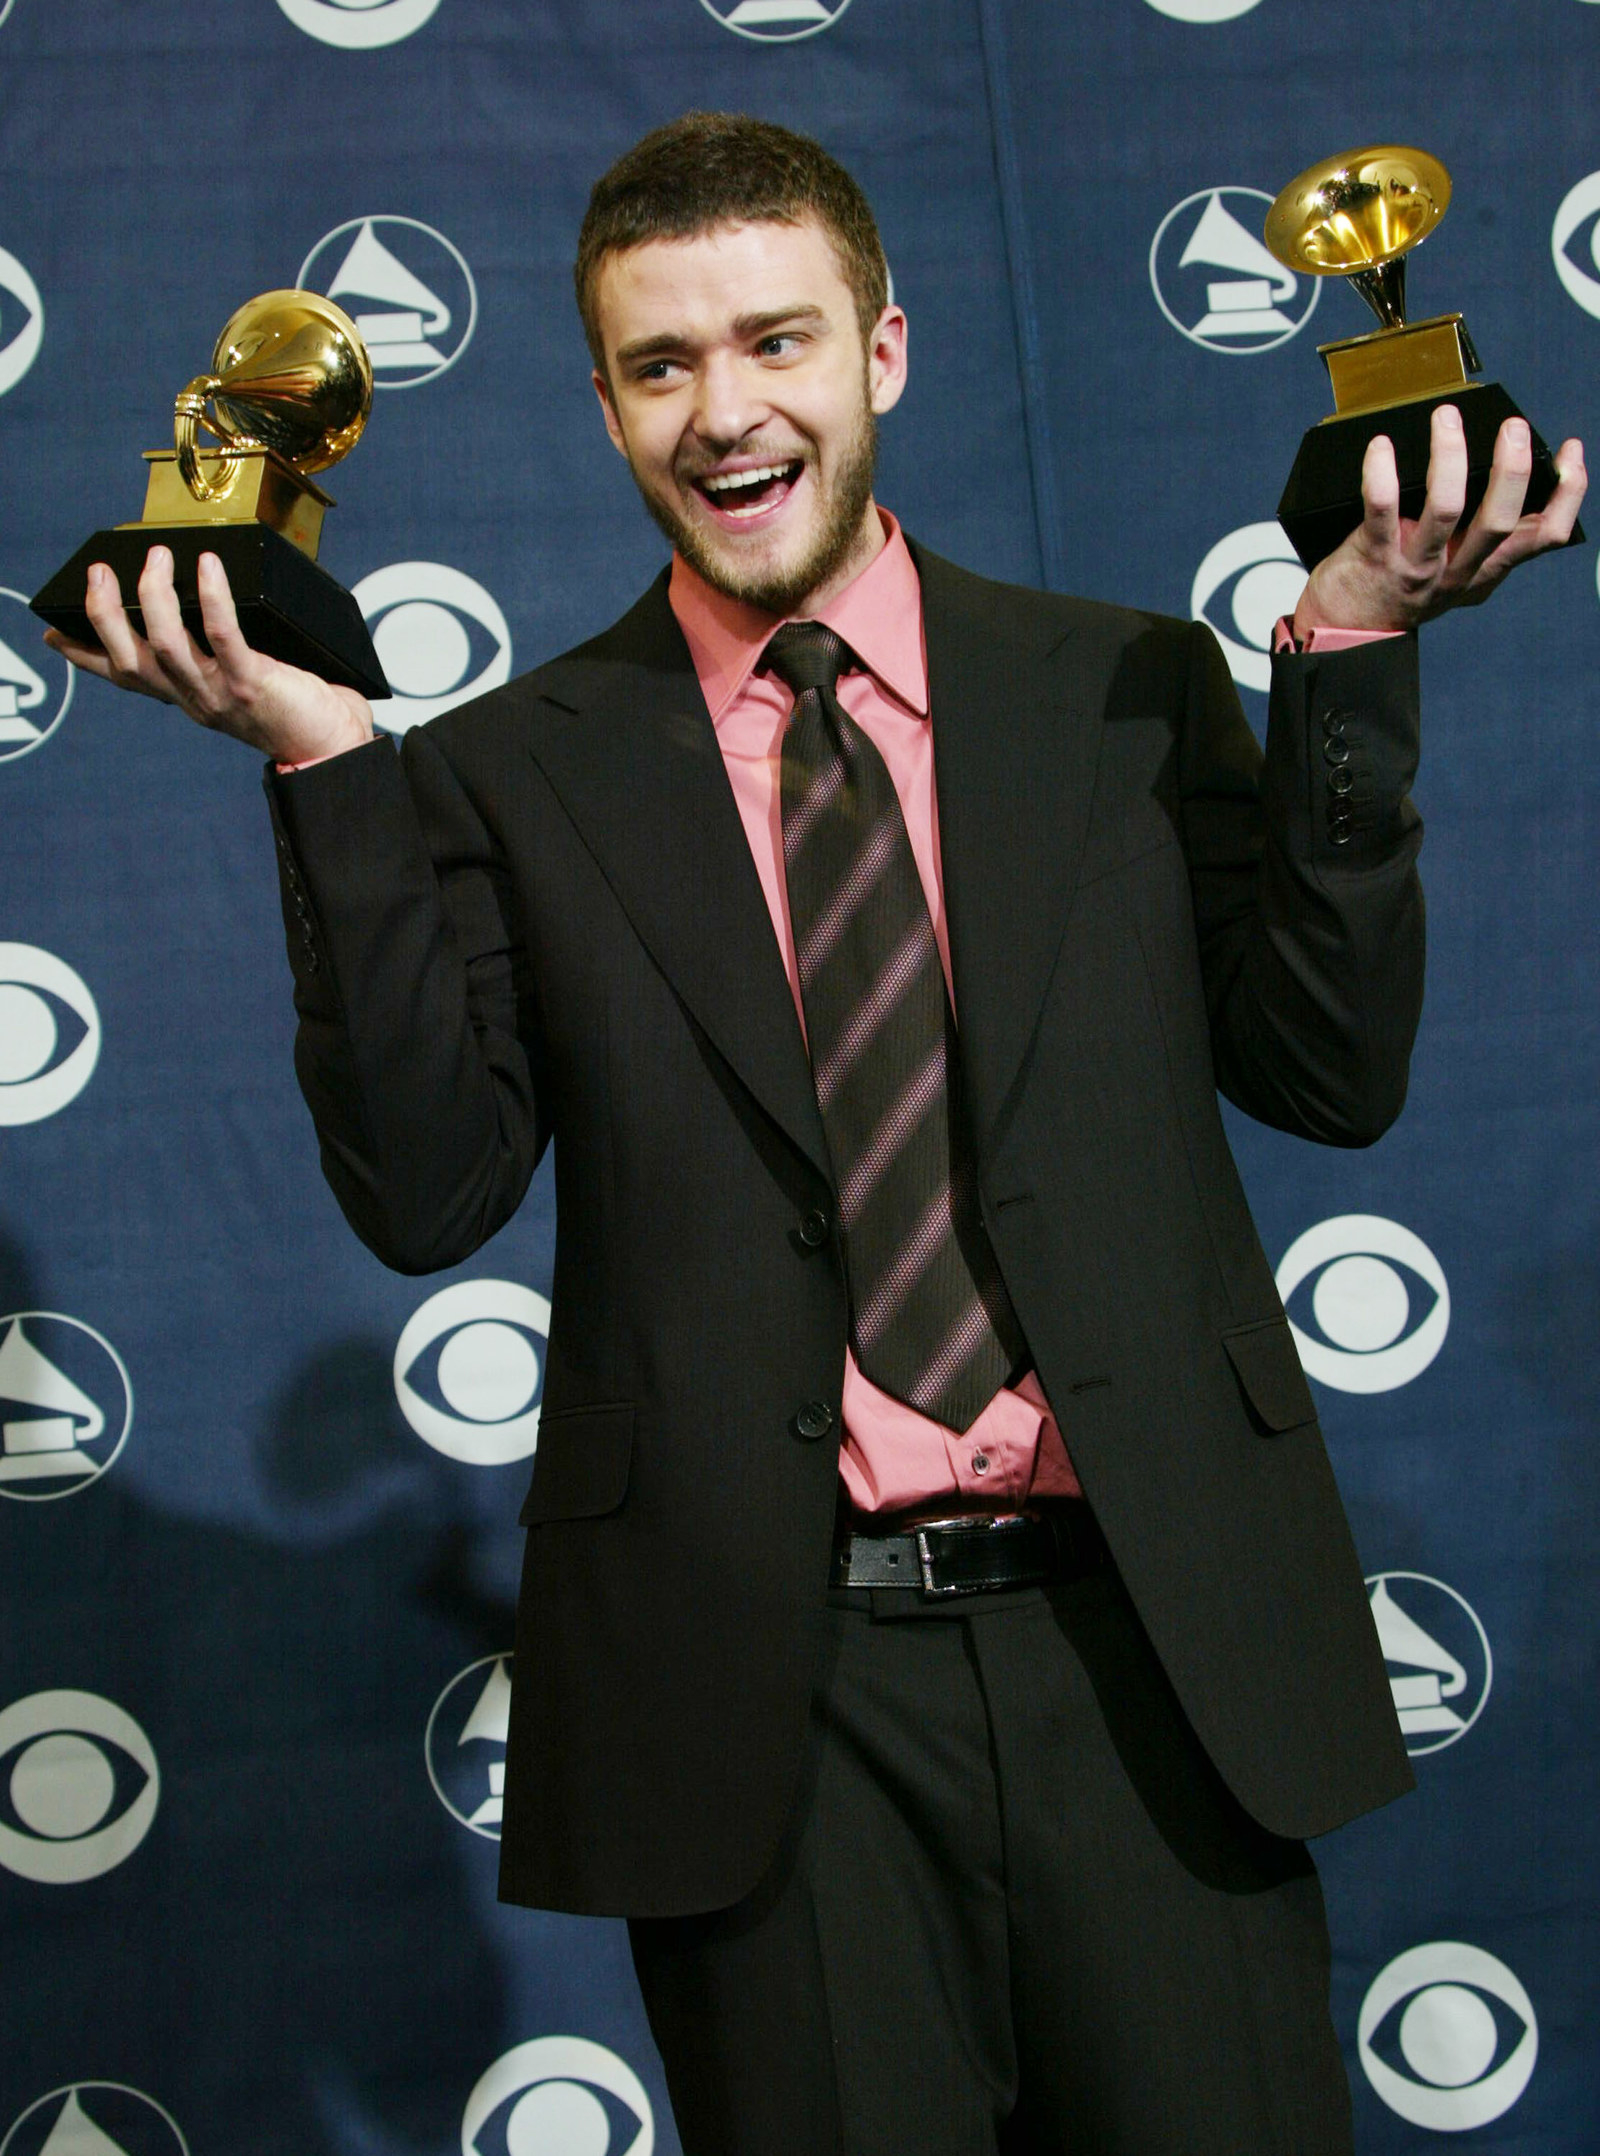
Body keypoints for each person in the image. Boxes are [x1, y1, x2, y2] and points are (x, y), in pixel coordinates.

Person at [48, 113, 1585, 2156]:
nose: (722, 410)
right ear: (600, 405)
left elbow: (1327, 1072)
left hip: (1151, 1663)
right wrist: (330, 767)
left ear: (880, 351)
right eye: (660, 364)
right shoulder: (511, 771)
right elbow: (427, 1196)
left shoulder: (1117, 688)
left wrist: (1354, 650)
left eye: (770, 341)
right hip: (767, 1714)